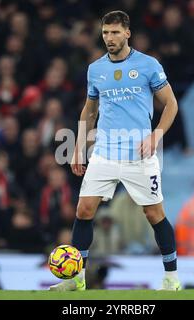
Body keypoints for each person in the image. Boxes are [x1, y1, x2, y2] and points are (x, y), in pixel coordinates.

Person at [50, 11, 181, 291]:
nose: (109, 38)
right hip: (105, 152)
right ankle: (76, 279)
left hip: (140, 154)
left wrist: (156, 135)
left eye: (115, 32)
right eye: (105, 33)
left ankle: (171, 278)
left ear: (127, 33)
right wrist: (78, 146)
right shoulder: (95, 69)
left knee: (154, 214)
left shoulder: (148, 65)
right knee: (84, 210)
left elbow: (171, 104)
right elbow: (90, 109)